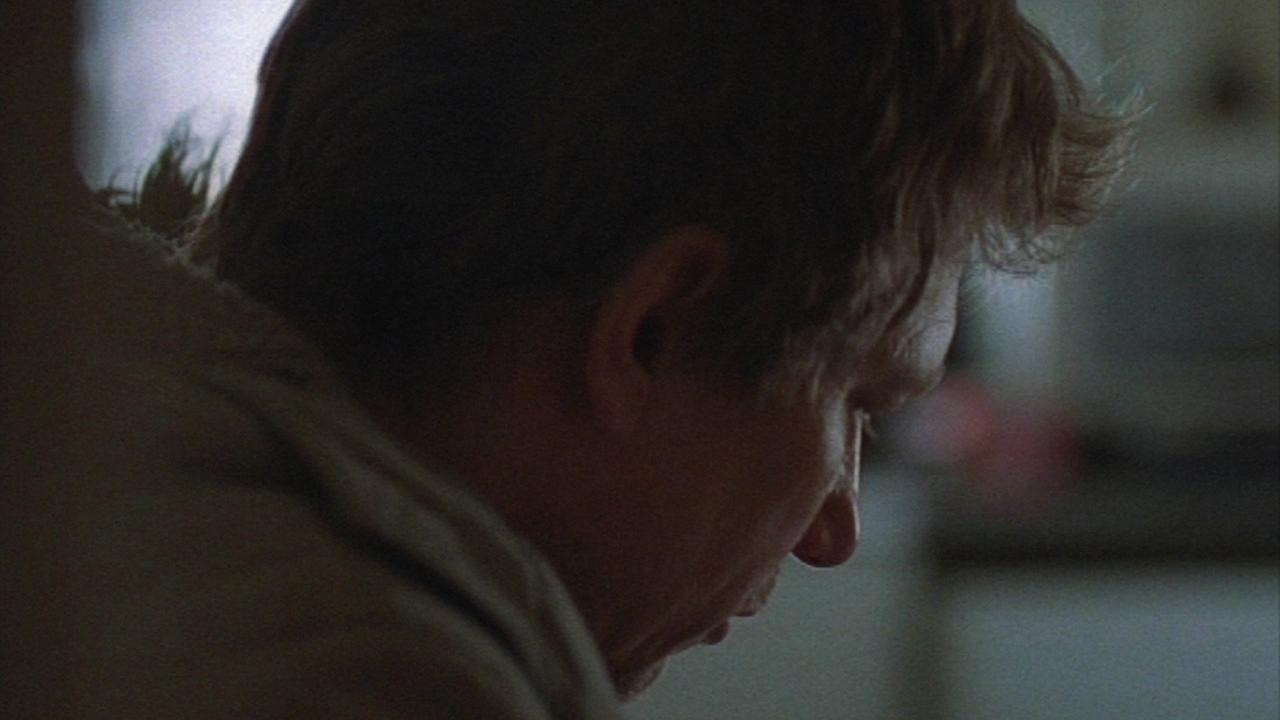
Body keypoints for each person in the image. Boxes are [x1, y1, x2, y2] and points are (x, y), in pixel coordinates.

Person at [2, 0, 1131, 717]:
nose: (833, 532)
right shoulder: (394, 684)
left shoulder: (100, 498)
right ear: (650, 331)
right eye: (854, 404)